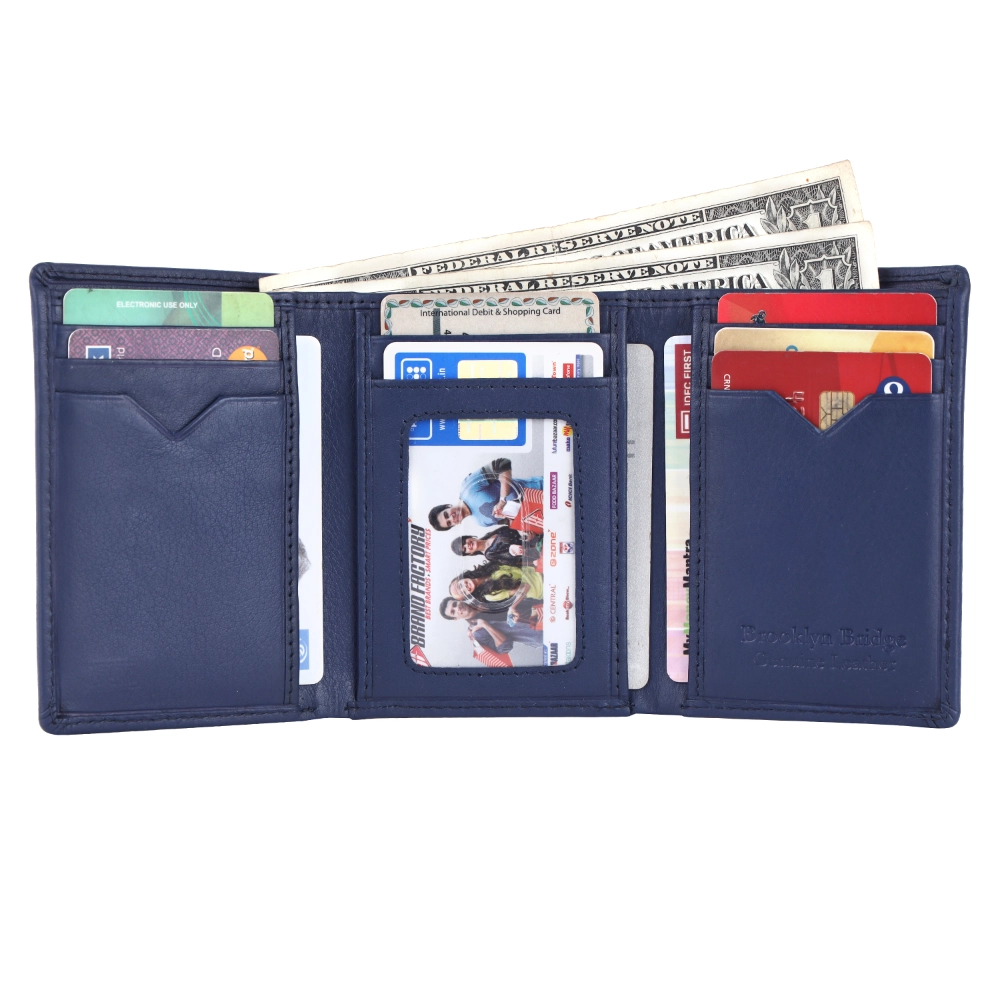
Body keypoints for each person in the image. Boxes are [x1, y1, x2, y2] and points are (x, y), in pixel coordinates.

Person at [428, 458, 542, 531]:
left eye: (446, 514)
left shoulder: (468, 488)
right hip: (541, 512)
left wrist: (502, 500)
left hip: (541, 489)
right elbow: (511, 521)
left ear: (447, 506)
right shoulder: (481, 523)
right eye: (449, 523)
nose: (451, 518)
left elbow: (502, 463)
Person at [448, 564, 543, 611]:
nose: (465, 587)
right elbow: (524, 587)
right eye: (463, 592)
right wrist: (513, 607)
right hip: (542, 587)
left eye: (460, 585)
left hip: (540, 569)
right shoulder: (489, 596)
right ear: (469, 596)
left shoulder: (485, 569)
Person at [450, 526, 541, 566]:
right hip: (537, 546)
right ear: (470, 553)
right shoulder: (489, 555)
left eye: (464, 542)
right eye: (465, 549)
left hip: (534, 531)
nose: (467, 545)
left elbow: (511, 528)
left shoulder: (489, 534)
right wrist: (526, 539)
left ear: (468, 537)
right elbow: (512, 557)